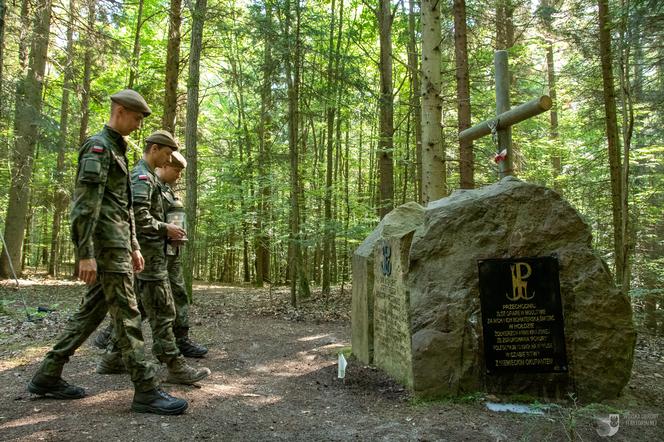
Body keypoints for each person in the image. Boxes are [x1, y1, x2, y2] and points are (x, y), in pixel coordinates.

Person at [27, 89, 188, 415]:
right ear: (119, 111)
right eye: (137, 117)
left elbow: (123, 206)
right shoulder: (98, 147)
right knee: (129, 317)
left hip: (118, 246)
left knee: (89, 315)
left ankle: (47, 373)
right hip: (104, 248)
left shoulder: (118, 149)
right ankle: (146, 389)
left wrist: (133, 245)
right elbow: (85, 206)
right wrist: (85, 253)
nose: (139, 124)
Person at [97, 130, 210, 384]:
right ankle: (174, 365)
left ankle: (113, 357)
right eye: (167, 154)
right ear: (155, 149)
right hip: (148, 256)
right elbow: (138, 217)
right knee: (162, 310)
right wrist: (165, 229)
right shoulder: (142, 177)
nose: (168, 160)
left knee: (144, 309)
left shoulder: (150, 179)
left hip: (152, 255)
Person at [156, 151, 208, 357]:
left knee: (179, 295)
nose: (179, 175)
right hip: (152, 254)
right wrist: (165, 230)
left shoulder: (169, 192)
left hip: (171, 251)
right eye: (176, 170)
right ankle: (113, 341)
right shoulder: (146, 184)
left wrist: (177, 234)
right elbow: (138, 219)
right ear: (164, 165)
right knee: (146, 301)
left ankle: (181, 340)